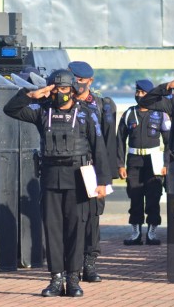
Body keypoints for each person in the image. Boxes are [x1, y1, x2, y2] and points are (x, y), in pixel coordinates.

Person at [3, 69, 112, 297]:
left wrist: (103, 182)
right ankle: (55, 279)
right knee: (53, 231)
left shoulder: (86, 114)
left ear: (72, 90)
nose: (60, 93)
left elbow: (99, 147)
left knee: (75, 230)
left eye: (64, 88)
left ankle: (73, 280)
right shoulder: (43, 112)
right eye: (56, 88)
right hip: (51, 179)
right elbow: (10, 109)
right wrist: (31, 95)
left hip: (78, 179)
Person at [68, 60, 117, 282]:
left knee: (92, 218)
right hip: (68, 169)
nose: (77, 84)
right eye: (73, 79)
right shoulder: (62, 104)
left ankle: (90, 263)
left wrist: (106, 179)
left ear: (90, 81)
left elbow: (108, 143)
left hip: (92, 169)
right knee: (70, 218)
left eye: (81, 80)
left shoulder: (101, 105)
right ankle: (72, 265)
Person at [117, 79, 171, 245]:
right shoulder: (128, 114)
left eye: (143, 93)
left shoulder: (160, 114)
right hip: (134, 160)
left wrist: (166, 164)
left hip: (154, 160)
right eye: (137, 92)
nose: (139, 95)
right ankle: (135, 232)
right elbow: (119, 140)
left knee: (154, 196)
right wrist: (120, 164)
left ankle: (152, 232)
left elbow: (169, 141)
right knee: (135, 195)